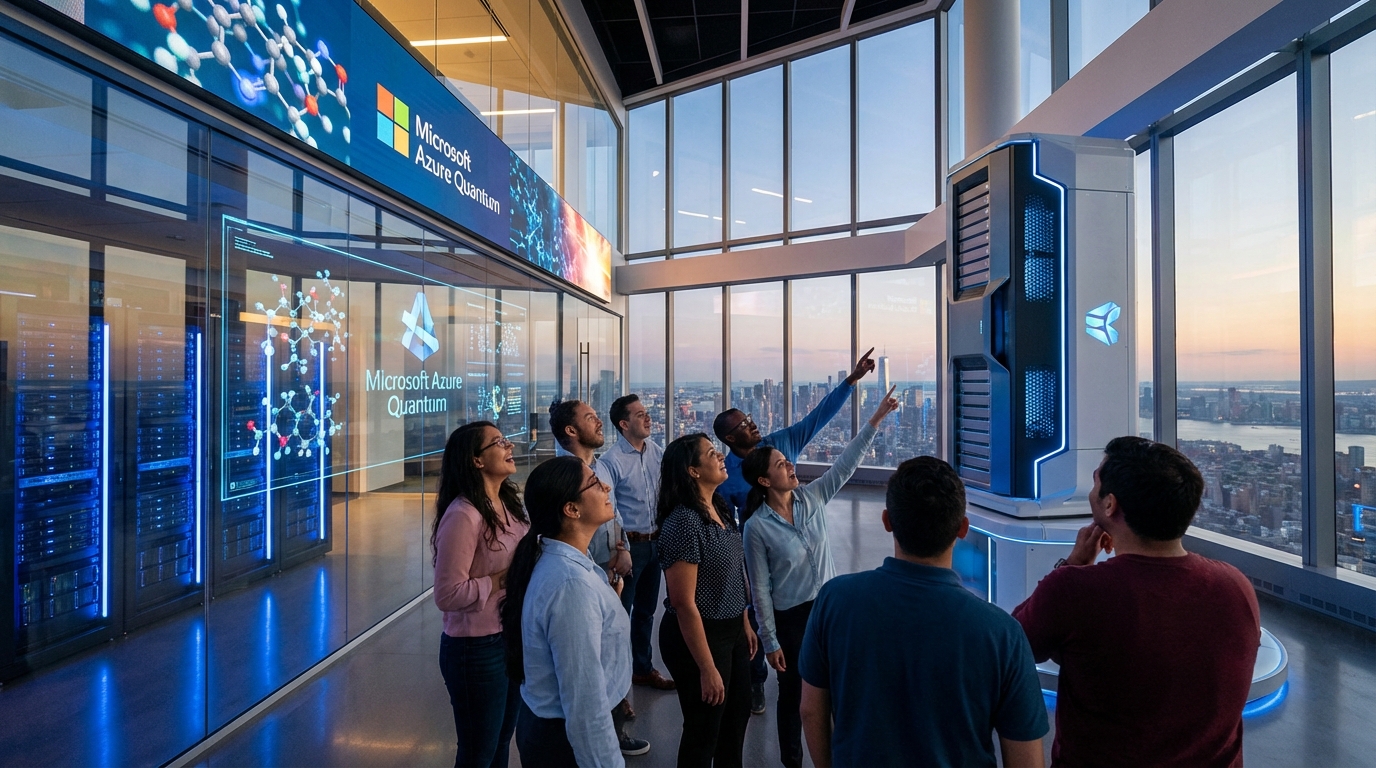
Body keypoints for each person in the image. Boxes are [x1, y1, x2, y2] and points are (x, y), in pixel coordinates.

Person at [1012, 437, 1261, 767]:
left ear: (1110, 505)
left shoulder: (1075, 590)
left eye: (1095, 482)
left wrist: (1073, 564)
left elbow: (1013, 645)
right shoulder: (1236, 585)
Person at [798, 456, 1048, 768]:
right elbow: (1027, 759)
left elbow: (811, 710)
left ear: (887, 521)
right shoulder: (1002, 634)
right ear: (962, 528)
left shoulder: (835, 600)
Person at [742, 386, 899, 768]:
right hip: (792, 619)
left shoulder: (811, 498)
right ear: (764, 481)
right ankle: (792, 761)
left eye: (787, 461)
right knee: (794, 695)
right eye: (781, 465)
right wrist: (770, 640)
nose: (790, 466)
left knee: (839, 688)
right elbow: (759, 587)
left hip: (829, 608)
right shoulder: (757, 527)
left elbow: (846, 463)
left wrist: (877, 418)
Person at [714, 348, 875, 713]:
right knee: (758, 608)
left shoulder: (780, 443)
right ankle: (757, 679)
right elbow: (725, 522)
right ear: (730, 438)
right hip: (755, 546)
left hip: (794, 541)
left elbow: (817, 418)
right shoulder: (725, 475)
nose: (752, 425)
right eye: (743, 425)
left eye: (750, 418)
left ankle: (812, 677)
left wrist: (851, 381)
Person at [500, 456, 633, 768]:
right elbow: (585, 701)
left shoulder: (565, 561)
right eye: (594, 483)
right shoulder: (571, 584)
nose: (606, 487)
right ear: (571, 509)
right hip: (563, 741)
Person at [548, 398, 648, 756]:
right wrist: (597, 573)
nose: (599, 421)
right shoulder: (565, 476)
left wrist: (622, 548)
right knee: (594, 657)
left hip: (609, 571)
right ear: (571, 431)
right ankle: (609, 737)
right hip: (588, 578)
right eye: (590, 418)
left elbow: (613, 514)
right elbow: (566, 533)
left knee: (615, 641)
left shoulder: (599, 468)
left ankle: (617, 710)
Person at [656, 433, 759, 767]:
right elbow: (684, 603)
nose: (721, 457)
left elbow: (734, 572)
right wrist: (706, 667)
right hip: (699, 635)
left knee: (736, 717)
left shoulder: (720, 509)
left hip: (731, 628)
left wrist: (743, 620)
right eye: (712, 453)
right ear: (693, 471)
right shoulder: (684, 522)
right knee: (704, 729)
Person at [432, 422, 530, 768]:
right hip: (475, 648)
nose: (510, 446)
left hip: (508, 637)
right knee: (479, 753)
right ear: (477, 460)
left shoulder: (507, 504)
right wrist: (501, 580)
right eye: (499, 442)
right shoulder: (463, 514)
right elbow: (447, 594)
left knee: (502, 740)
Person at [598, 394, 676, 691]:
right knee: (619, 614)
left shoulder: (656, 452)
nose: (648, 417)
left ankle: (642, 669)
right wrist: (621, 549)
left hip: (657, 542)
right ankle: (614, 682)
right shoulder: (610, 461)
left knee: (645, 612)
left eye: (646, 412)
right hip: (630, 547)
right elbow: (610, 509)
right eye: (640, 414)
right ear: (623, 424)